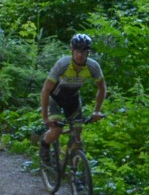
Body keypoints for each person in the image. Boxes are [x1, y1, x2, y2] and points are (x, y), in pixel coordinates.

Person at [39, 33, 106, 170]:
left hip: (72, 100)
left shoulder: (93, 66)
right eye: (77, 51)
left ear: (88, 52)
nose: (80, 55)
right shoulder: (63, 64)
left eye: (84, 52)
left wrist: (97, 111)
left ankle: (73, 170)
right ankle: (44, 146)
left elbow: (102, 88)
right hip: (55, 98)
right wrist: (45, 117)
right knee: (56, 130)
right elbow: (46, 90)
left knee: (77, 135)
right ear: (71, 50)